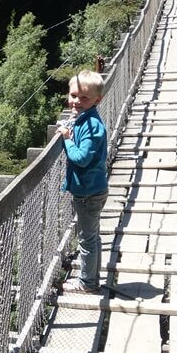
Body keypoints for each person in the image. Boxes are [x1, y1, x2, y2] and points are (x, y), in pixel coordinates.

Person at [57, 70, 110, 294]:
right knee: (92, 237)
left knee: (87, 240)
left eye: (83, 98)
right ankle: (92, 278)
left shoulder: (92, 127)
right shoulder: (84, 119)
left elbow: (80, 158)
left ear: (97, 100)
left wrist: (67, 139)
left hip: (88, 192)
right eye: (73, 95)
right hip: (92, 189)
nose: (76, 101)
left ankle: (87, 283)